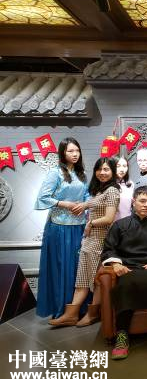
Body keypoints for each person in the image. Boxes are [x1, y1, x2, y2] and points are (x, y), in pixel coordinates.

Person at [100, 186, 147, 360]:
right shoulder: (120, 225)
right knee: (125, 284)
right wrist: (115, 264)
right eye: (142, 201)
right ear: (134, 202)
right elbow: (109, 249)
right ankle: (122, 334)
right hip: (128, 268)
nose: (146, 205)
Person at [49, 157, 120, 327]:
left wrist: (91, 223)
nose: (102, 173)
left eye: (106, 169)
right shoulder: (98, 190)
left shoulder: (112, 191)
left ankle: (92, 314)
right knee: (82, 279)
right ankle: (70, 314)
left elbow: (109, 218)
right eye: (99, 169)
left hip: (101, 239)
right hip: (89, 240)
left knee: (96, 279)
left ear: (113, 172)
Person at [35, 137, 88, 319]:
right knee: (61, 267)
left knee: (77, 268)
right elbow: (43, 197)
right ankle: (61, 309)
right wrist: (64, 203)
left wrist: (85, 204)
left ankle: (77, 308)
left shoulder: (82, 174)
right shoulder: (55, 173)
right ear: (62, 153)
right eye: (70, 151)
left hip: (79, 226)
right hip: (59, 227)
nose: (75, 154)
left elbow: (87, 195)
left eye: (77, 150)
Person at [114, 156, 134, 220]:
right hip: (112, 222)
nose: (122, 169)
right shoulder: (108, 184)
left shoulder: (130, 184)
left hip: (128, 221)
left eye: (124, 166)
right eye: (118, 166)